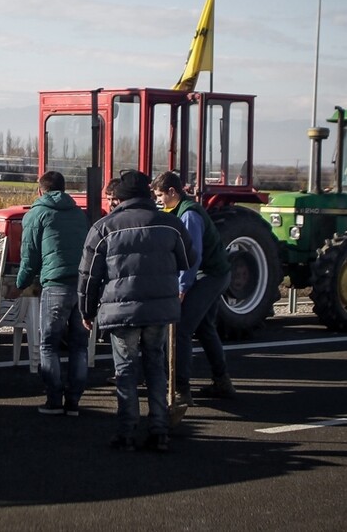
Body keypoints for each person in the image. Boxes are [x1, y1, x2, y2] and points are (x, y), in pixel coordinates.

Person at [78, 170, 195, 452]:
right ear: (147, 193)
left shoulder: (104, 227)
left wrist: (87, 310)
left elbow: (88, 275)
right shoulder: (171, 224)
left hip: (121, 311)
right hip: (160, 309)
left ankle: (126, 431)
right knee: (155, 366)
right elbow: (188, 259)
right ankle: (159, 430)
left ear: (121, 197)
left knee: (126, 370)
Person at [8, 170, 90, 416]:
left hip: (55, 285)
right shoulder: (78, 213)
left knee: (49, 344)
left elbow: (29, 257)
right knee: (79, 345)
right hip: (82, 285)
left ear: (40, 189)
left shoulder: (36, 214)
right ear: (63, 189)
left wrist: (19, 285)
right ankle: (73, 401)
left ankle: (54, 399)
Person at [151, 171, 236, 406]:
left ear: (172, 192)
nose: (158, 200)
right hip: (213, 272)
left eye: (160, 195)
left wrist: (181, 288)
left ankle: (181, 389)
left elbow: (193, 256)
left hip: (210, 275)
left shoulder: (189, 215)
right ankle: (223, 382)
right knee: (206, 327)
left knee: (181, 328)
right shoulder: (180, 210)